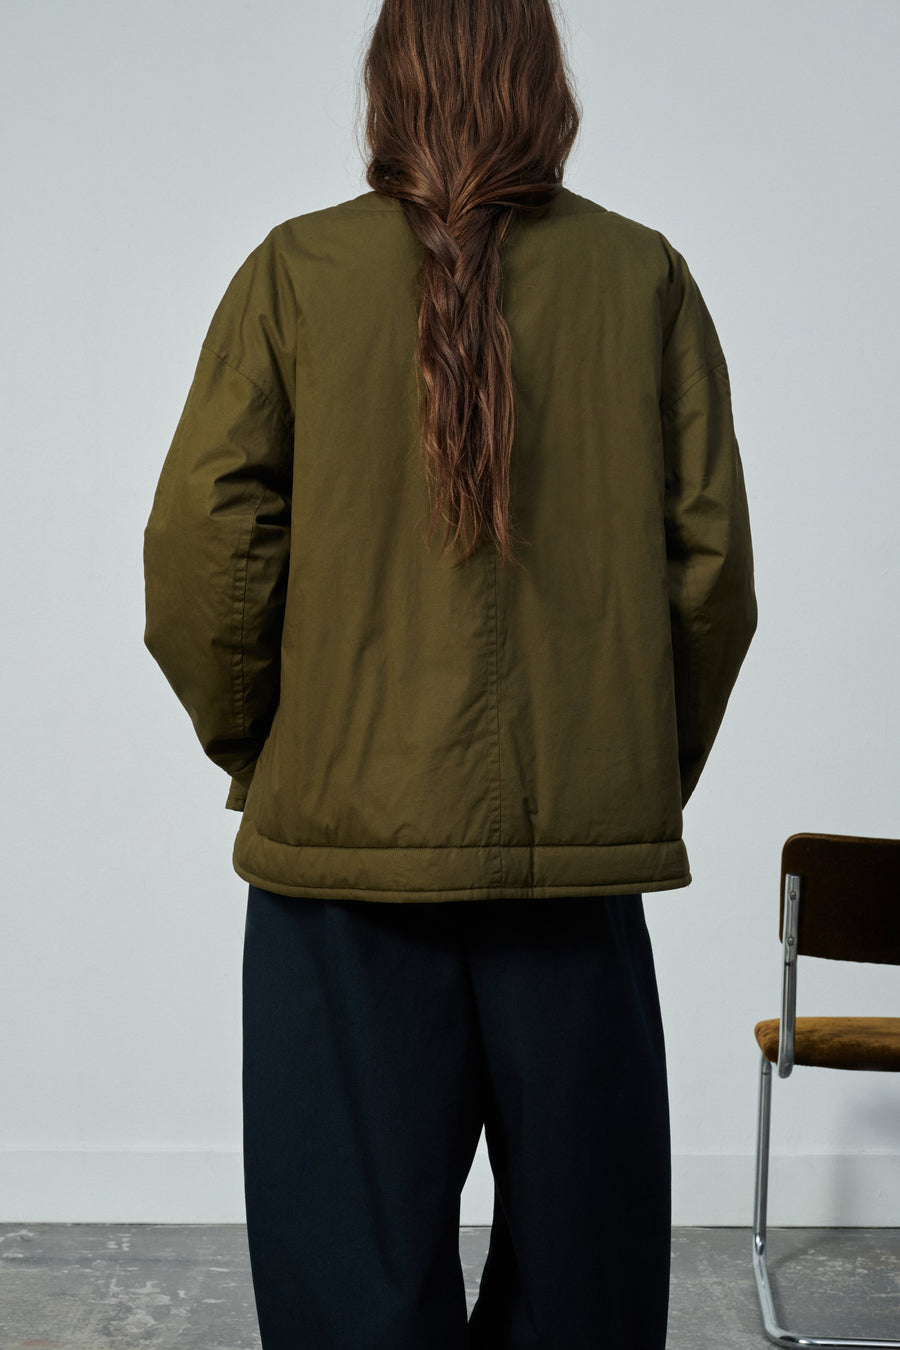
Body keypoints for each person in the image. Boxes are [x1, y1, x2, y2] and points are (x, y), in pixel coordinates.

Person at [142, 1, 757, 1346]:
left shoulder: (296, 274)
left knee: (347, 1293)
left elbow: (202, 550)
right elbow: (711, 576)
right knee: (586, 1293)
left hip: (340, 880)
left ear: (390, 80)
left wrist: (276, 749)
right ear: (542, 80)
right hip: (572, 881)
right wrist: (618, 771)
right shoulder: (643, 278)